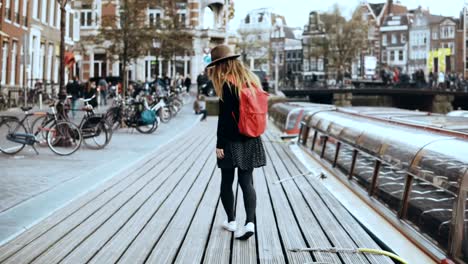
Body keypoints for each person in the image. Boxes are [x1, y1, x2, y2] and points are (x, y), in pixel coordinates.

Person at [206, 44, 266, 240]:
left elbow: (224, 120)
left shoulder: (228, 84)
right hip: (251, 137)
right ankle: (250, 222)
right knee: (246, 181)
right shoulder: (253, 80)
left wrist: (220, 145)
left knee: (227, 181)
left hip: (231, 140)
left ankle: (231, 221)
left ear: (221, 65)